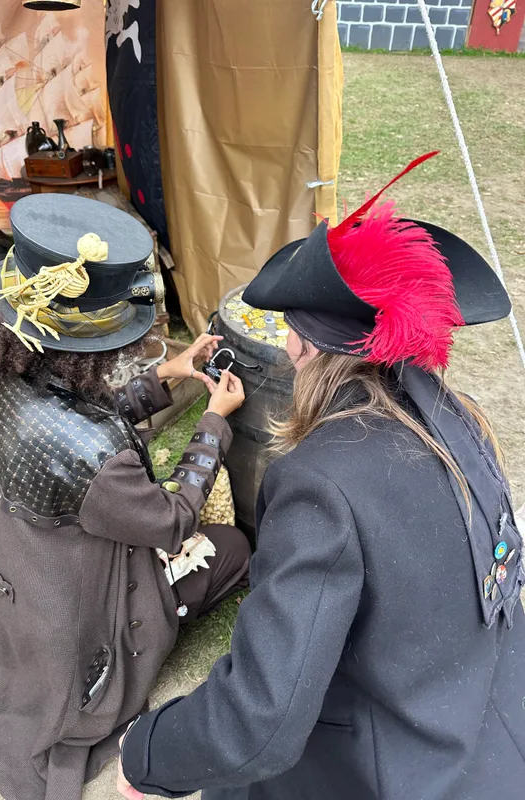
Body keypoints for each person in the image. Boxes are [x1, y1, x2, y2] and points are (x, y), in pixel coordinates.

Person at [117, 153, 525, 800]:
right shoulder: (463, 421)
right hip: (487, 734)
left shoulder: (321, 484)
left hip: (394, 775)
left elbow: (257, 722)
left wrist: (143, 755)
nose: (285, 348)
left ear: (308, 350)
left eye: (293, 334)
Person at [0, 193, 250, 800]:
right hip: (81, 610)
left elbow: (85, 417)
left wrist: (170, 373)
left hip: (20, 580)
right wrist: (213, 420)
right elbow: (172, 521)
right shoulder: (95, 455)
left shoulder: (7, 370)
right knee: (234, 549)